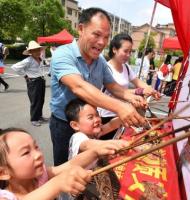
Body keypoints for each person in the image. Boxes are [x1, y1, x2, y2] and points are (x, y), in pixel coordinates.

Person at [49, 7, 146, 166]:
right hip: (65, 124)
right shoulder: (63, 54)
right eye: (96, 34)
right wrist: (120, 107)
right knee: (65, 168)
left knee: (89, 165)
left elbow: (113, 87)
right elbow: (79, 87)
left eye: (106, 37)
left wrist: (133, 97)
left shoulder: (100, 60)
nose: (102, 42)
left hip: (89, 124)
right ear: (81, 29)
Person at [0, 127, 125, 200]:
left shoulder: (39, 177)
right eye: (26, 152)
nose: (38, 154)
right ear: (3, 172)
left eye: (36, 147)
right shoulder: (5, 197)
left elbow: (70, 165)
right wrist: (57, 184)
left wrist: (95, 151)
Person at [97, 33, 160, 139]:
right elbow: (117, 91)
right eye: (125, 51)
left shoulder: (126, 67)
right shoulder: (106, 68)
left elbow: (138, 82)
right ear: (114, 49)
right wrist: (138, 93)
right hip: (106, 115)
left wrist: (151, 90)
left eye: (130, 52)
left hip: (123, 113)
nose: (128, 55)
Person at [65, 98, 128, 167]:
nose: (97, 119)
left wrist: (127, 115)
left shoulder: (93, 133)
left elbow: (111, 125)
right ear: (75, 125)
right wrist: (112, 144)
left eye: (97, 115)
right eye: (90, 117)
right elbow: (87, 145)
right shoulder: (77, 137)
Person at [11, 41, 48, 127]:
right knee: (35, 100)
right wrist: (25, 75)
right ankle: (34, 119)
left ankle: (39, 116)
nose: (38, 52)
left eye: (38, 50)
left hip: (40, 80)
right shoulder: (28, 60)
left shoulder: (39, 58)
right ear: (30, 52)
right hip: (33, 82)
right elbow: (15, 67)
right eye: (35, 50)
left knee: (41, 100)